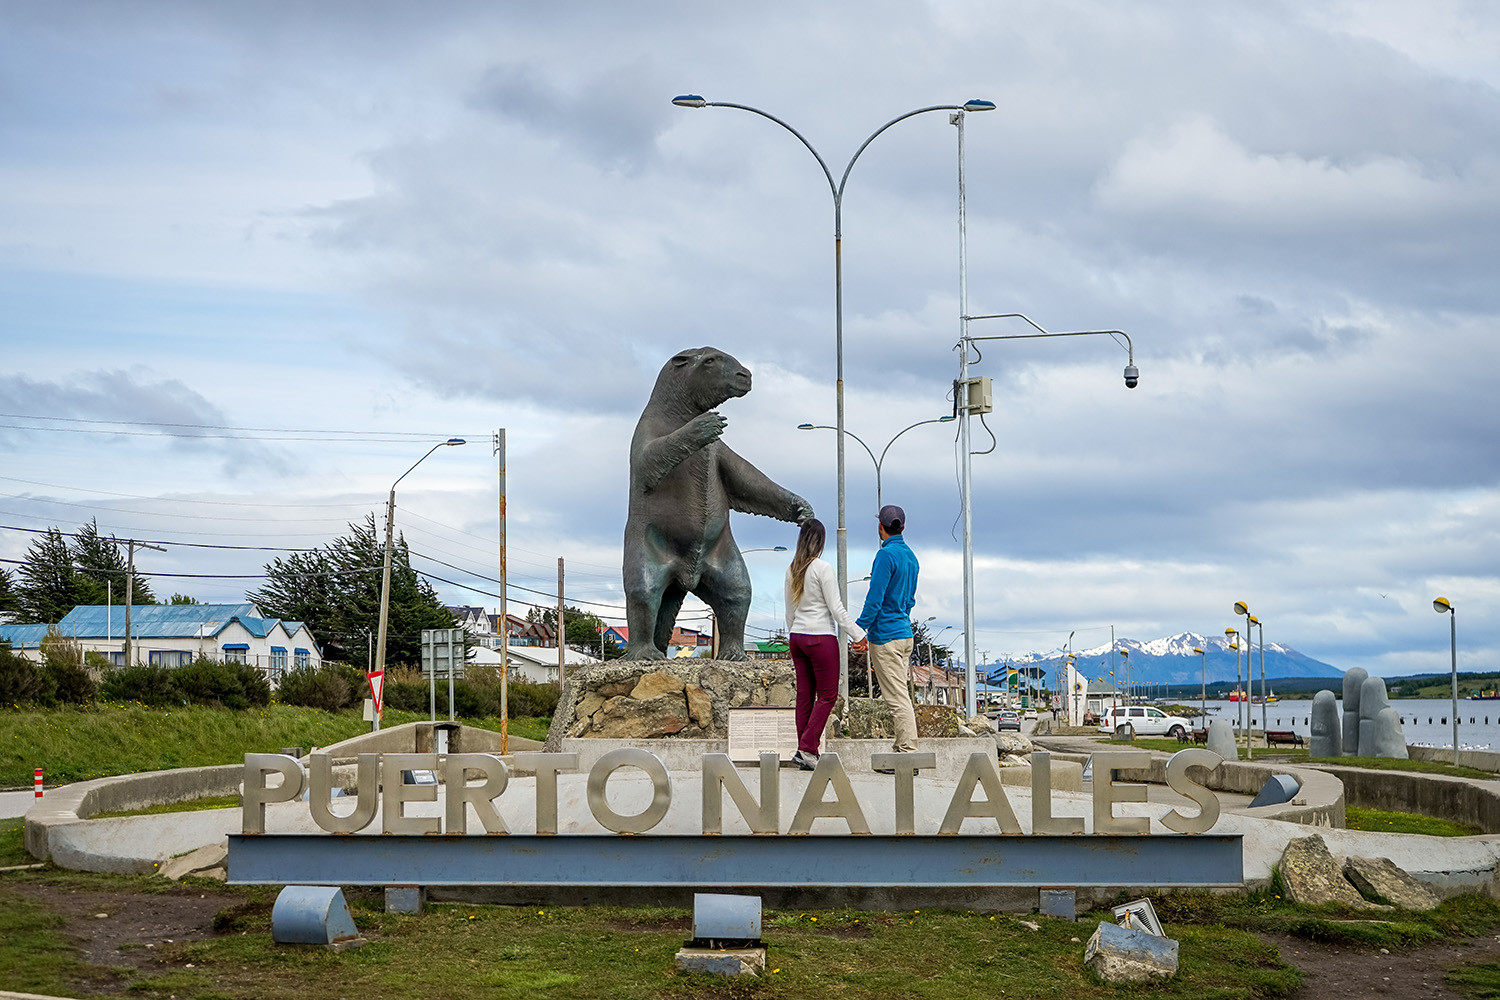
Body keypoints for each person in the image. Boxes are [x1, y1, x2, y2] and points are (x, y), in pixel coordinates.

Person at [784, 518, 866, 771]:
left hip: (797, 638)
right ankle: (808, 747)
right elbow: (836, 609)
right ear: (821, 542)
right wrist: (858, 635)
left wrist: (795, 633)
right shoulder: (823, 568)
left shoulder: (792, 569)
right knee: (828, 696)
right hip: (821, 638)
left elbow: (790, 612)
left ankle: (803, 751)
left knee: (805, 697)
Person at [856, 504, 920, 766]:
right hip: (904, 633)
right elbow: (910, 600)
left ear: (879, 527)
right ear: (903, 527)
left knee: (897, 699)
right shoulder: (911, 557)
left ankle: (908, 755)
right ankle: (900, 750)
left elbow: (875, 598)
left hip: (886, 636)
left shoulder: (885, 556)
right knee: (899, 693)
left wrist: (860, 630)